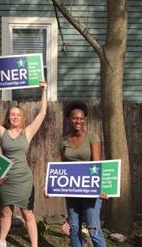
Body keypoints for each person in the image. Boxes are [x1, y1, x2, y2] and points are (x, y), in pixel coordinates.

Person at [0, 82, 47, 247]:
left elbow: (42, 114)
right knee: (5, 211)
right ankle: (2, 241)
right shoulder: (2, 132)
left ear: (22, 117)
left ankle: (34, 245)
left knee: (27, 213)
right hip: (6, 178)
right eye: (12, 114)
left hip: (24, 179)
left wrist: (44, 91)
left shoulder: (27, 133)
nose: (15, 117)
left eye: (18, 115)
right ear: (8, 117)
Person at [60, 101, 107, 247]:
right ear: (69, 119)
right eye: (74, 118)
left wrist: (102, 188)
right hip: (72, 191)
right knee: (74, 228)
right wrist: (50, 186)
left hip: (90, 190)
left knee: (93, 229)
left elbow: (97, 165)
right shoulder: (63, 141)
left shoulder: (93, 137)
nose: (78, 121)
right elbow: (62, 168)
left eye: (81, 118)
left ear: (84, 119)